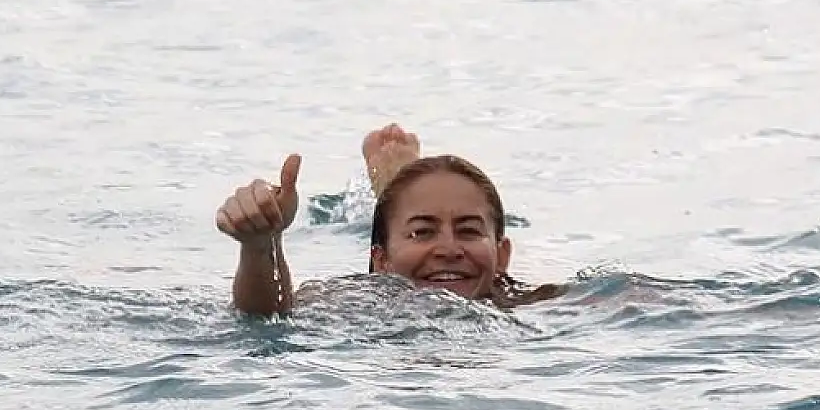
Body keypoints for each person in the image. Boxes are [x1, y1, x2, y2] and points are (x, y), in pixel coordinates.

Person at [215, 124, 562, 317]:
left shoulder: (531, 302)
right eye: (422, 232)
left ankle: (398, 190)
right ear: (380, 260)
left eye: (469, 231)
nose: (449, 249)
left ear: (502, 255)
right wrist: (262, 244)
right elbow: (271, 316)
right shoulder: (356, 304)